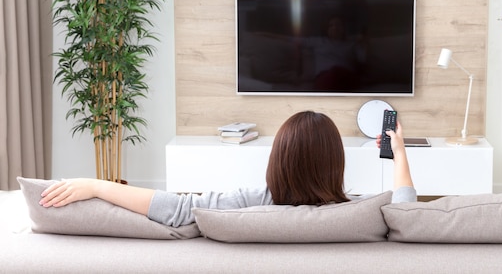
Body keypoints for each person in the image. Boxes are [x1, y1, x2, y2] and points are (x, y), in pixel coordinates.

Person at [39, 111, 415, 227]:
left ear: (278, 158)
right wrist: (398, 151)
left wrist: (97, 185)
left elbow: (177, 208)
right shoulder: (360, 212)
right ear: (336, 162)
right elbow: (405, 211)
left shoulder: (247, 204)